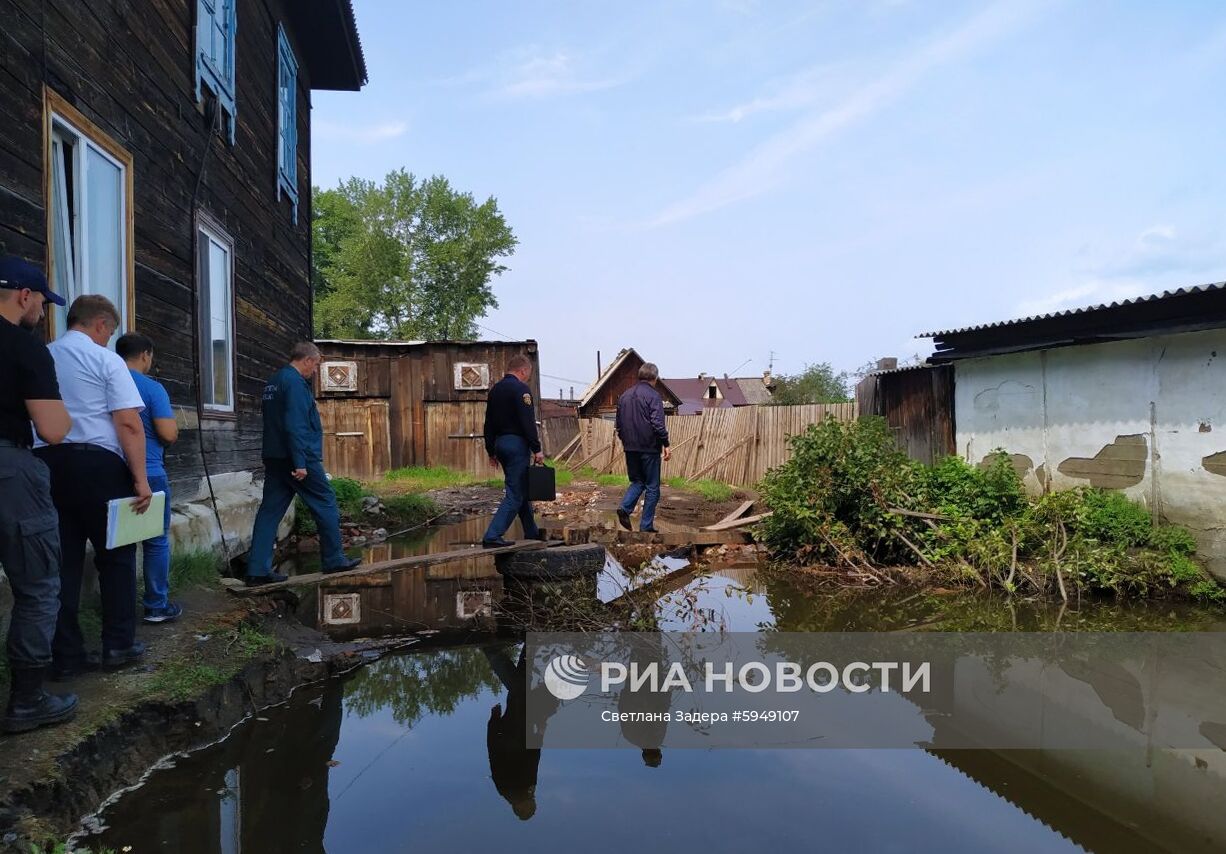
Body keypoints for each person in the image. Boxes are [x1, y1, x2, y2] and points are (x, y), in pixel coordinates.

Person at [34, 295, 152, 678]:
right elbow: (128, 423)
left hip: (47, 464)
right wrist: (140, 479)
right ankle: (118, 645)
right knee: (116, 556)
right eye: (109, 332)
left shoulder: (42, 355)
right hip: (99, 464)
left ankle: (66, 656)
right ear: (100, 324)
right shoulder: (105, 360)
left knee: (62, 562)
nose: (108, 339)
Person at [0, 256, 79, 732]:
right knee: (38, 586)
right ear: (24, 296)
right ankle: (27, 700)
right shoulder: (23, 347)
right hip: (10, 471)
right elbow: (52, 429)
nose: (43, 312)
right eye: (42, 303)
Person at [245, 342, 359, 586]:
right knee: (325, 502)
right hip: (298, 456)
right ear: (307, 360)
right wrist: (300, 462)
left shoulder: (274, 381)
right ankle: (334, 559)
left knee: (270, 511)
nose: (315, 371)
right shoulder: (295, 383)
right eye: (315, 365)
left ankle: (257, 570)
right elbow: (294, 423)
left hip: (275, 456)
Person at [116, 332, 182, 624]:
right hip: (150, 472)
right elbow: (167, 433)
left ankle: (120, 609)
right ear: (145, 355)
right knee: (155, 541)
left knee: (120, 543)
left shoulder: (108, 382)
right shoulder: (152, 388)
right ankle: (156, 605)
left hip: (112, 470)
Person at [481, 354, 543, 548]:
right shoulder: (521, 390)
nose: (528, 378)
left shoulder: (495, 390)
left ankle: (532, 533)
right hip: (516, 445)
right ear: (523, 370)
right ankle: (492, 535)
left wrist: (491, 451)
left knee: (521, 489)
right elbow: (527, 422)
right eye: (528, 374)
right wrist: (537, 449)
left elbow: (488, 423)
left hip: (500, 444)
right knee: (515, 494)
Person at [614, 362, 671, 533]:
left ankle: (625, 508)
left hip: (630, 447)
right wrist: (666, 444)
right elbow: (657, 423)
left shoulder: (624, 396)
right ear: (655, 378)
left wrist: (626, 441)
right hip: (649, 447)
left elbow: (618, 426)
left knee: (637, 481)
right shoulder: (653, 396)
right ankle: (646, 527)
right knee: (652, 487)